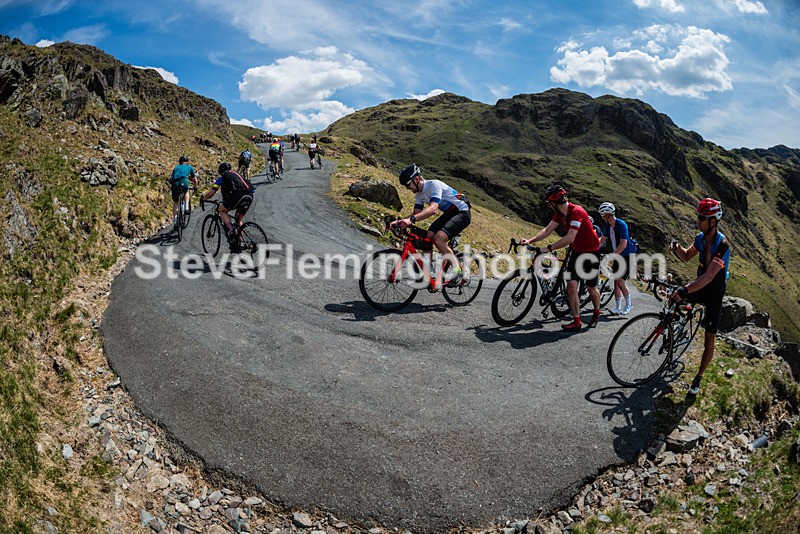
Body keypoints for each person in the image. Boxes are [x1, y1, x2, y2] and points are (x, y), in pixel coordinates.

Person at [668, 198, 731, 396]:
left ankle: (699, 377)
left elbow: (710, 276)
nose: (698, 221)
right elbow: (687, 256)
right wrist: (677, 248)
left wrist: (687, 289)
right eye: (698, 217)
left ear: (713, 221)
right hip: (700, 284)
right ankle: (677, 329)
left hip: (714, 291)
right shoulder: (699, 238)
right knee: (674, 299)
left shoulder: (723, 245)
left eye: (702, 218)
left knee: (709, 338)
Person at [520, 184, 602, 331]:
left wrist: (548, 248)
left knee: (591, 288)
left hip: (591, 253)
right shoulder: (559, 214)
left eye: (549, 203)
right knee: (571, 286)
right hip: (577, 252)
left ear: (554, 203)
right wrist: (530, 241)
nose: (549, 206)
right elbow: (547, 230)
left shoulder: (577, 212)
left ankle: (596, 312)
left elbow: (570, 237)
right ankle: (576, 321)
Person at [390, 164, 470, 286]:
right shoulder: (419, 195)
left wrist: (411, 220)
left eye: (408, 184)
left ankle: (458, 271)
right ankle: (429, 272)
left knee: (438, 239)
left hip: (462, 212)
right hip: (450, 213)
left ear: (416, 179)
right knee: (429, 235)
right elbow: (417, 213)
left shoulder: (434, 185)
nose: (407, 188)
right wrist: (399, 222)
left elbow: (433, 208)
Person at [200, 162, 255, 250]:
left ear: (220, 171)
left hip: (237, 196)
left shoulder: (222, 178)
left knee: (222, 210)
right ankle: (239, 242)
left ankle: (232, 230)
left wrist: (203, 199)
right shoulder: (237, 175)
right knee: (238, 219)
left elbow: (211, 193)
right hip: (249, 196)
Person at [598, 202, 636, 315]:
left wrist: (611, 256)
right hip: (618, 255)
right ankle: (617, 307)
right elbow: (602, 239)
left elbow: (623, 244)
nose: (602, 218)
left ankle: (629, 304)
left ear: (608, 215)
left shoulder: (621, 224)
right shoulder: (609, 226)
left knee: (620, 282)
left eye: (603, 216)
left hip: (627, 256)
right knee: (616, 283)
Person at [167, 155, 198, 230]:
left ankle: (175, 222)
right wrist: (195, 187)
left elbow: (171, 178)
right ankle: (186, 208)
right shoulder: (189, 167)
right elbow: (194, 179)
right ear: (187, 162)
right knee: (186, 191)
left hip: (174, 184)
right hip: (183, 181)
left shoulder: (176, 168)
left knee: (176, 203)